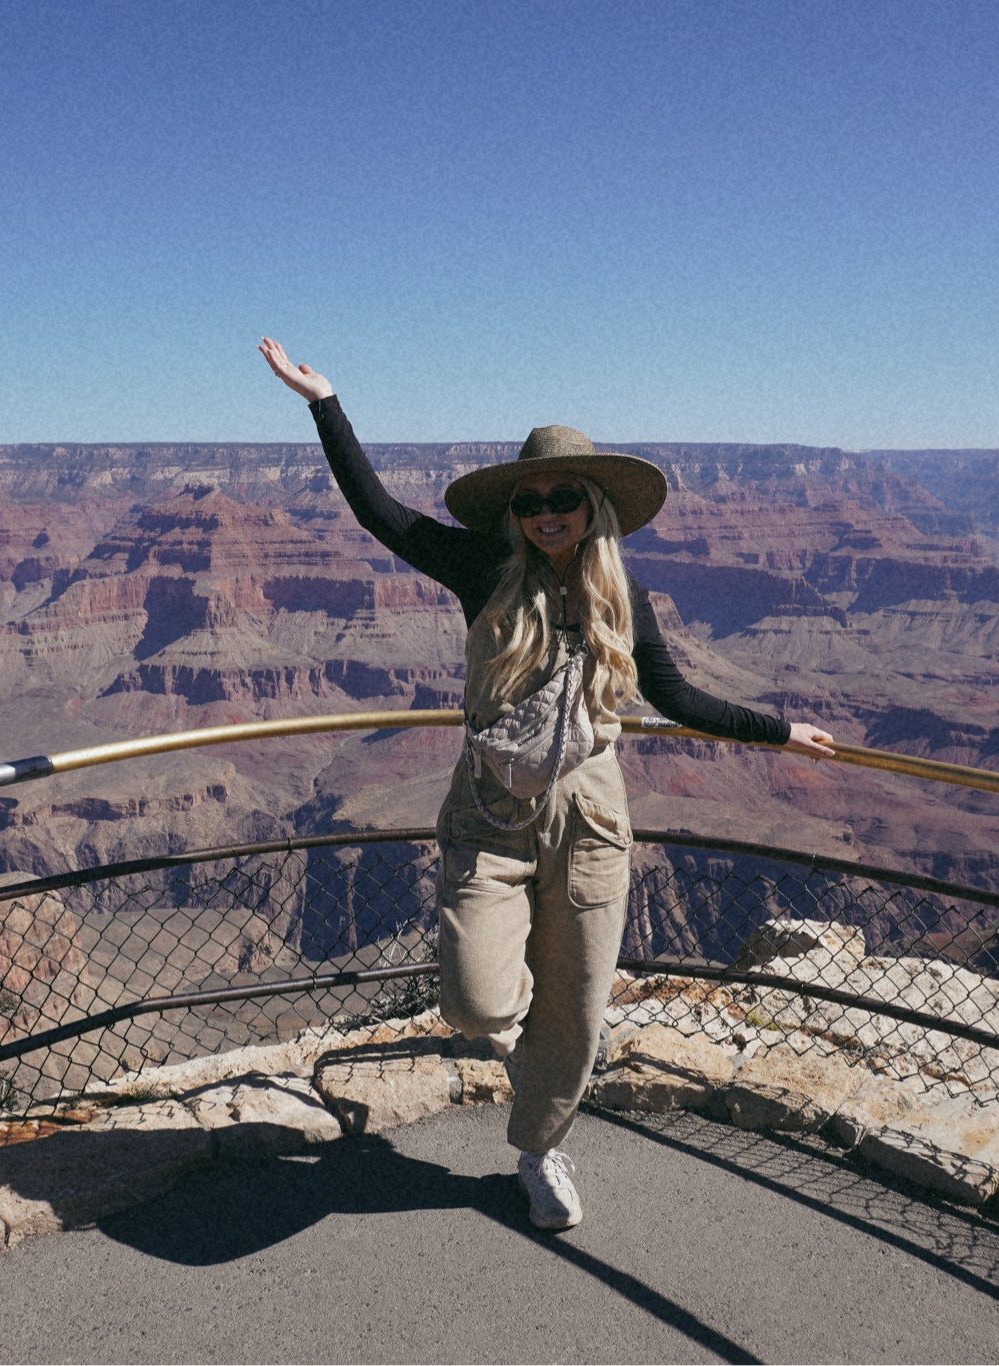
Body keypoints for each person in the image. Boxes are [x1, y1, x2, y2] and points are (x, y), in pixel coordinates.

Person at [259, 338, 835, 1229]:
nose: (546, 512)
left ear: (593, 505)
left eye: (564, 497)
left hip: (592, 811)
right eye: (530, 501)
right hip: (492, 807)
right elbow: (382, 515)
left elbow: (675, 696)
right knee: (476, 997)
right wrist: (324, 402)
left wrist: (780, 730)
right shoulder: (482, 570)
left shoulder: (622, 596)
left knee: (579, 1003)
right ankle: (536, 1052)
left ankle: (538, 1149)